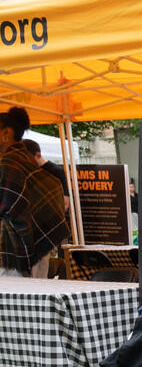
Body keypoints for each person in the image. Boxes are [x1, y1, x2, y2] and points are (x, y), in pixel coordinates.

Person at [0, 107, 68, 278]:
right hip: (37, 256)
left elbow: (10, 211)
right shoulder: (31, 168)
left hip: (10, 260)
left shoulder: (7, 166)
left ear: (5, 134)